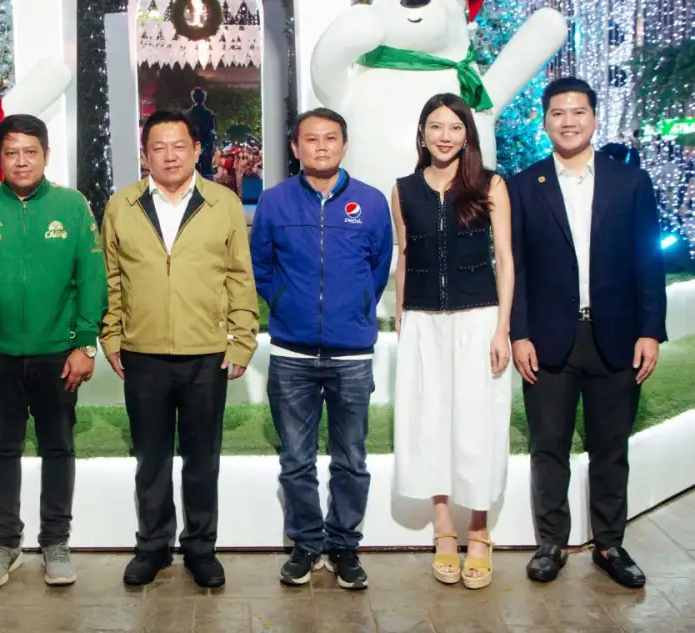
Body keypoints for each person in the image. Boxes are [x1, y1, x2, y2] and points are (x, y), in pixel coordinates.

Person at [510, 77, 667, 589]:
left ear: (594, 118)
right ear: (545, 121)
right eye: (558, 112)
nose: (569, 121)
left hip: (617, 336)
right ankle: (551, 543)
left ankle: (609, 543)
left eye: (578, 111)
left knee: (611, 447)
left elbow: (648, 260)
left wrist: (650, 329)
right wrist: (519, 333)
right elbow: (516, 267)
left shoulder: (630, 182)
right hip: (548, 339)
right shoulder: (524, 185)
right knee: (548, 445)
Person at [100, 110, 258, 588]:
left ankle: (201, 548)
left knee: (202, 458)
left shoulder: (223, 203)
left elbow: (239, 275)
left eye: (179, 146)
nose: (169, 156)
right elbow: (110, 278)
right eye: (159, 147)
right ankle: (152, 546)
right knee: (150, 458)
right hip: (143, 352)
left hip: (206, 352)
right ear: (145, 154)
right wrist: (111, 335)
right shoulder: (122, 205)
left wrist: (242, 339)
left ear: (196, 150)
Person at [0, 115, 107, 589]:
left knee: (58, 445)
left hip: (58, 354)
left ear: (46, 155)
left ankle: (56, 542)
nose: (21, 161)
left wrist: (85, 343)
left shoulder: (72, 206)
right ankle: (6, 544)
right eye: (11, 152)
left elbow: (91, 277)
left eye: (30, 151)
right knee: (1, 446)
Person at [249, 108, 391, 590]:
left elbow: (378, 267)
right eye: (311, 139)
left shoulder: (371, 202)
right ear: (295, 148)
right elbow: (261, 265)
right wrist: (285, 303)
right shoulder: (275, 201)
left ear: (344, 145)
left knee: (351, 458)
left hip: (352, 354)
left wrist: (355, 308)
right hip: (292, 353)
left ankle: (344, 545)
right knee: (296, 459)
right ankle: (307, 544)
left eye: (331, 138)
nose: (322, 146)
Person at [391, 93, 514, 590]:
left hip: (478, 317)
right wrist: (402, 317)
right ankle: (443, 527)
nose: (445, 136)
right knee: (429, 420)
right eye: (436, 126)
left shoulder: (490, 184)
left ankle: (478, 530)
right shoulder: (402, 189)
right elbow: (404, 254)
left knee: (478, 421)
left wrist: (503, 327)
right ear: (422, 132)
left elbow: (505, 257)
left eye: (455, 127)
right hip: (423, 320)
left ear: (468, 135)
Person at [185, 87, 217, 179]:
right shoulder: (207, 114)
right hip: (197, 149)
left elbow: (212, 132)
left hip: (200, 149)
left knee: (203, 174)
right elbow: (212, 132)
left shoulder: (188, 114)